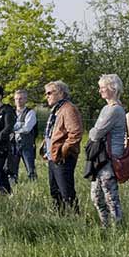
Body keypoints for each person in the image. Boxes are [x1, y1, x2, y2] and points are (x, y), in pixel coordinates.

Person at [86, 74, 129, 227]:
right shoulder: (106, 108)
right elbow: (96, 132)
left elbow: (96, 133)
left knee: (110, 196)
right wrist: (94, 132)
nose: (100, 91)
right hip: (100, 157)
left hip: (110, 158)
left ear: (113, 88)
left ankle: (117, 227)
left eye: (103, 88)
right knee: (96, 196)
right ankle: (105, 224)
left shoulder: (115, 110)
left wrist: (93, 132)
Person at [42, 80, 85, 214]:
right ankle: (59, 218)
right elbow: (52, 133)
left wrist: (62, 151)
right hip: (53, 157)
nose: (47, 96)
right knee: (55, 191)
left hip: (63, 158)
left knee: (66, 192)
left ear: (60, 93)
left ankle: (75, 219)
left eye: (49, 93)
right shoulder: (57, 109)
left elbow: (76, 133)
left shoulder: (68, 108)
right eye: (46, 93)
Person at [12, 89, 40, 180]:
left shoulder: (30, 113)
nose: (18, 101)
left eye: (21, 99)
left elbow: (27, 129)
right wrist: (20, 126)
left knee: (30, 169)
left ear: (25, 100)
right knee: (12, 170)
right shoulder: (11, 113)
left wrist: (14, 129)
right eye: (16, 99)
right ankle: (13, 190)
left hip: (27, 145)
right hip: (13, 145)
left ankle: (34, 188)